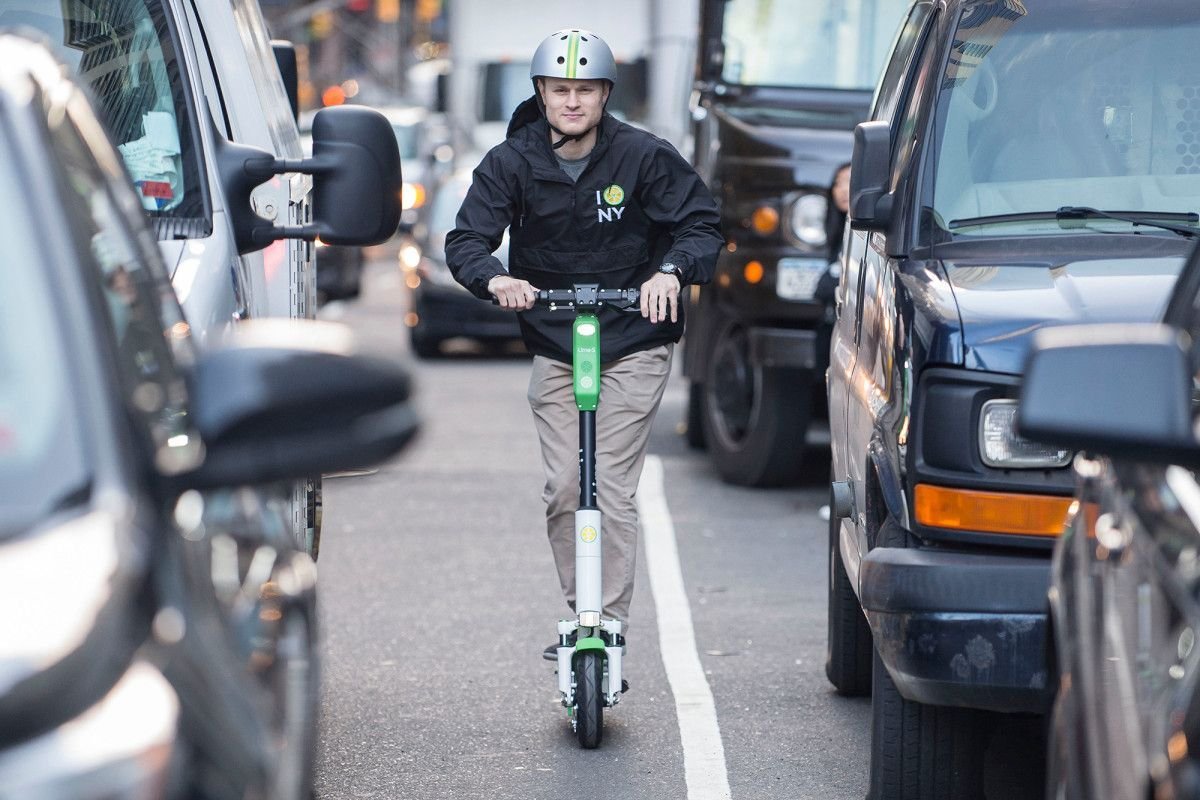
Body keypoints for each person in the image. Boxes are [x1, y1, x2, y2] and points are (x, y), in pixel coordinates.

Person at [445, 29, 722, 660]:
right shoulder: (511, 163)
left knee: (610, 484)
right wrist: (498, 279)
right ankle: (581, 611)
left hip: (633, 336)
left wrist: (670, 272)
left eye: (586, 90)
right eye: (561, 90)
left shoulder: (645, 157)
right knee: (569, 484)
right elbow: (465, 241)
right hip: (555, 337)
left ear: (605, 94)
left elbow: (701, 225)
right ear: (542, 93)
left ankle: (608, 622)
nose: (573, 101)